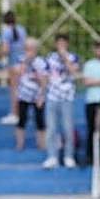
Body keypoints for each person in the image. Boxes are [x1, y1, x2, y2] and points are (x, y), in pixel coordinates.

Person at [43, 34, 80, 168]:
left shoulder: (73, 57)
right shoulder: (49, 58)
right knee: (51, 128)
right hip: (52, 96)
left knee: (68, 128)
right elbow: (45, 76)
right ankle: (52, 156)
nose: (61, 45)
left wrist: (65, 57)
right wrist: (42, 94)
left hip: (66, 97)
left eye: (64, 43)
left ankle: (69, 156)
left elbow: (73, 71)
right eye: (59, 43)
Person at [14, 38, 47, 151]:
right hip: (24, 94)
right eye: (28, 48)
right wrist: (26, 61)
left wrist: (42, 96)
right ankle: (19, 144)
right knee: (22, 120)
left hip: (37, 95)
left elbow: (44, 79)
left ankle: (42, 144)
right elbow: (17, 73)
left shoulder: (41, 62)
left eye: (32, 48)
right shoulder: (20, 60)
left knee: (40, 120)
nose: (30, 51)